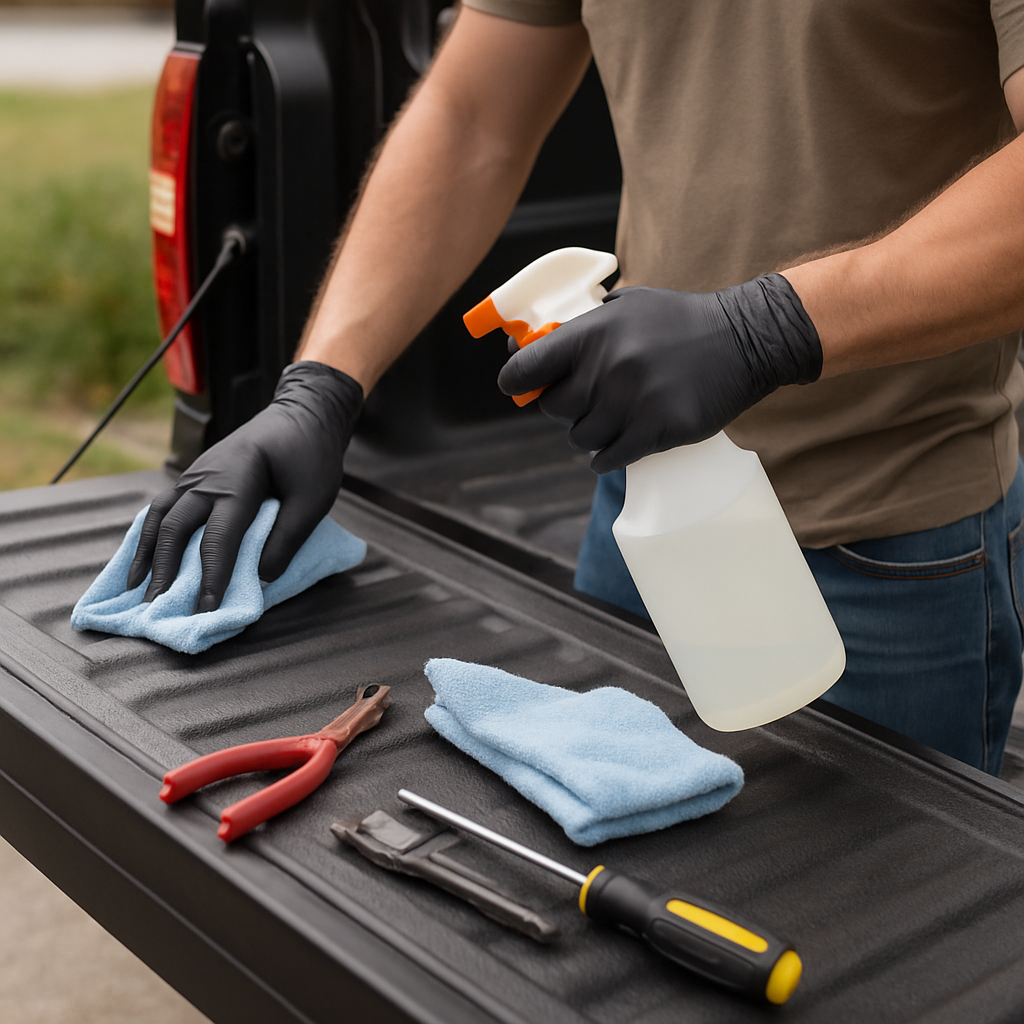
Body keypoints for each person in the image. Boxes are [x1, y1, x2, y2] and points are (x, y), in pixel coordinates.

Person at [127, 2, 1024, 775]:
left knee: (871, 952)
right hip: (638, 504)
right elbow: (473, 113)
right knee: (611, 913)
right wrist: (321, 386)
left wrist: (770, 326)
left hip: (887, 549)